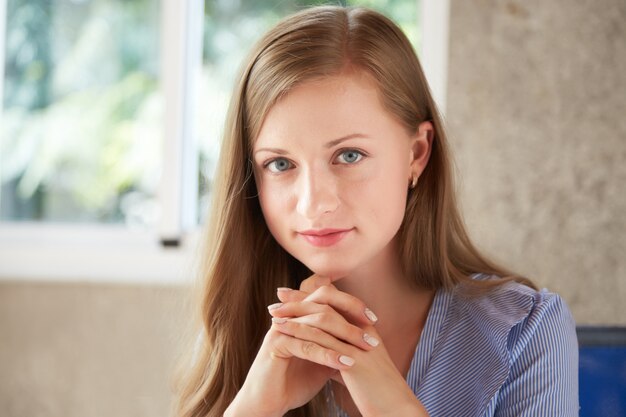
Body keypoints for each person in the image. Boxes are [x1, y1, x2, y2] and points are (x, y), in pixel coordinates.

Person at [173, 5, 578, 417]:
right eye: (280, 164)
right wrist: (255, 408)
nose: (314, 203)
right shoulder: (241, 331)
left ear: (416, 154)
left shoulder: (524, 331)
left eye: (349, 155)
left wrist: (394, 406)